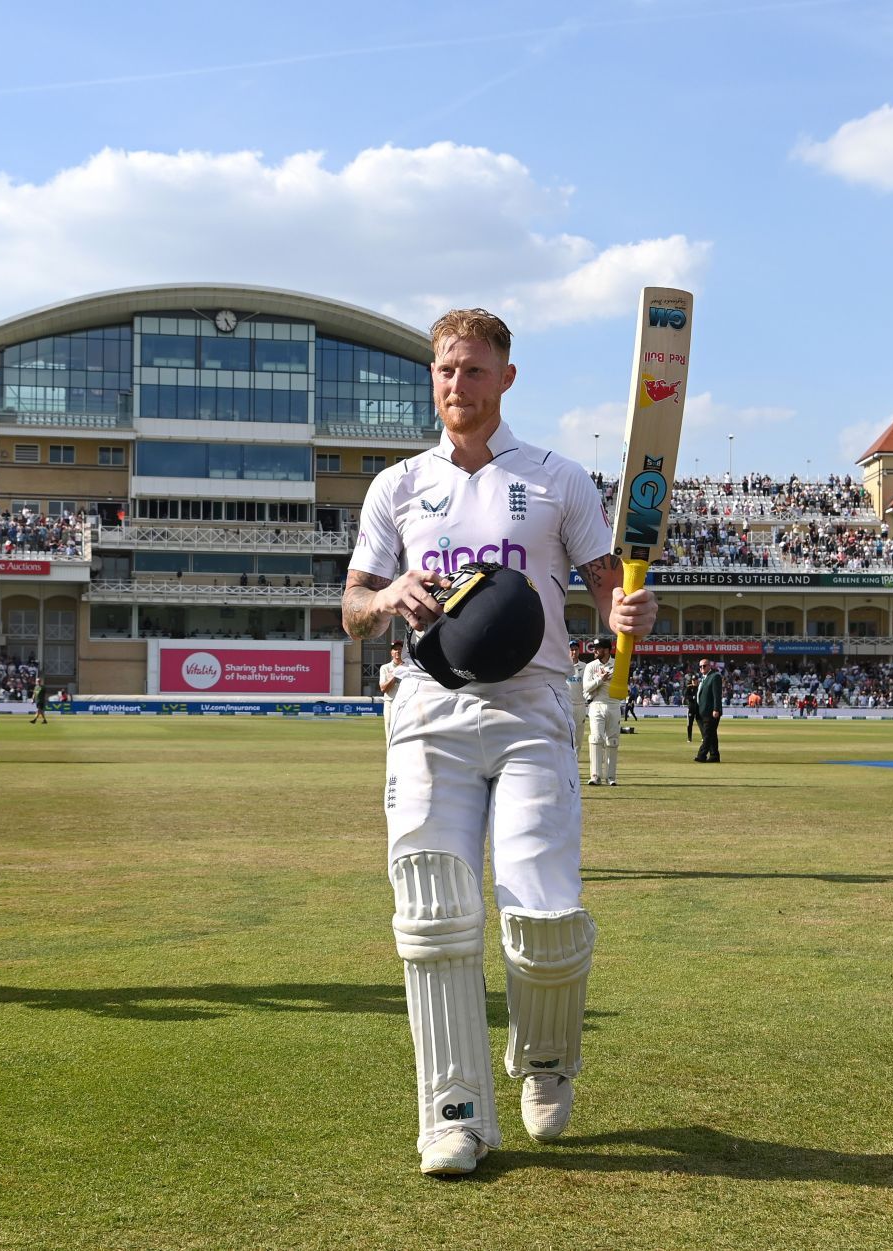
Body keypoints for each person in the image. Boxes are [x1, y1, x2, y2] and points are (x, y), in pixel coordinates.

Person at [342, 307, 656, 1177]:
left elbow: (607, 586)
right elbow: (352, 607)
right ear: (431, 377)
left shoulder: (557, 478)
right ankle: (453, 1116)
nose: (458, 384)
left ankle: (547, 1058)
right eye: (446, 369)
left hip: (532, 705)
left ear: (506, 378)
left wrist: (627, 609)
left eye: (475, 370)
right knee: (434, 910)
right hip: (427, 708)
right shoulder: (397, 486)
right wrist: (388, 595)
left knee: (543, 907)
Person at [582, 637, 619, 785]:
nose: (595, 651)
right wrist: (600, 680)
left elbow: (623, 686)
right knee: (596, 739)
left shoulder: (617, 664)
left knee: (613, 741)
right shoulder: (591, 666)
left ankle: (611, 777)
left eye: (598, 648)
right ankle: (595, 776)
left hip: (614, 705)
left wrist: (604, 681)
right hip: (596, 704)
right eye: (594, 648)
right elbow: (586, 687)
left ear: (607, 650)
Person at [694, 656, 723, 763]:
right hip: (701, 712)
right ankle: (714, 755)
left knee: (707, 735)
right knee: (711, 734)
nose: (702, 668)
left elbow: (717, 695)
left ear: (709, 666)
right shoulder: (703, 678)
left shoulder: (714, 676)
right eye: (700, 666)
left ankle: (701, 755)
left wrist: (716, 709)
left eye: (704, 666)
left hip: (710, 711)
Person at [378, 639, 407, 744]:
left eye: (400, 649)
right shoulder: (385, 668)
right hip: (390, 703)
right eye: (395, 649)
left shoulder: (408, 667)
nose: (397, 651)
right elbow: (383, 688)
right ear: (391, 652)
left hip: (405, 704)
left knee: (406, 733)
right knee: (390, 734)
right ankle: (390, 758)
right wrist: (394, 676)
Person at [567, 639, 590, 762]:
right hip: (565, 705)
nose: (573, 652)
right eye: (571, 650)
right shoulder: (562, 666)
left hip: (580, 705)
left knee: (578, 737)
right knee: (565, 735)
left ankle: (574, 763)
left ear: (579, 651)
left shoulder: (585, 667)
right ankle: (565, 763)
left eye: (576, 649)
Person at [684, 670, 701, 741]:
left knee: (701, 724)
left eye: (695, 680)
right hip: (691, 708)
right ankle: (689, 738)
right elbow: (686, 696)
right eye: (693, 680)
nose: (694, 681)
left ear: (697, 680)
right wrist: (692, 697)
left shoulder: (700, 687)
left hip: (698, 708)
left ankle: (704, 737)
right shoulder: (689, 687)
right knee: (689, 724)